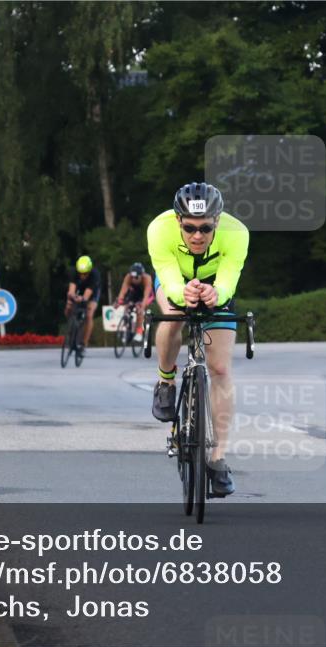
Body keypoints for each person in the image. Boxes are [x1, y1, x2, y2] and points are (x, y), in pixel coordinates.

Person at [147, 182, 249, 496]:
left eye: (205, 228)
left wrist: (216, 293)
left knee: (220, 369)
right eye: (189, 228)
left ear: (218, 221)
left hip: (216, 284)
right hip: (175, 280)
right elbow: (168, 277)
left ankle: (218, 459)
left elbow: (229, 277)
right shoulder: (159, 230)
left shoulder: (237, 233)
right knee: (175, 315)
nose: (197, 236)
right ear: (178, 220)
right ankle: (166, 381)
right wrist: (183, 294)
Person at [65, 255, 100, 351]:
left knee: (89, 314)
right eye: (80, 273)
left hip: (92, 292)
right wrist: (71, 297)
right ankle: (71, 325)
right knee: (68, 306)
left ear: (89, 271)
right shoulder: (74, 272)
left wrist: (83, 299)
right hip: (80, 289)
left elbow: (86, 296)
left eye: (85, 274)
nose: (82, 276)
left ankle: (84, 343)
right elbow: (71, 290)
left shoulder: (94, 275)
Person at [113, 262, 154, 342]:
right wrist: (119, 301)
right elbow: (123, 291)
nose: (133, 279)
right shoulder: (128, 277)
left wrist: (142, 306)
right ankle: (126, 328)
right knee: (127, 305)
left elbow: (146, 296)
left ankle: (139, 332)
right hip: (135, 293)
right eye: (132, 277)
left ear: (141, 275)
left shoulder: (147, 278)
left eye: (136, 277)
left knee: (140, 310)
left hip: (147, 294)